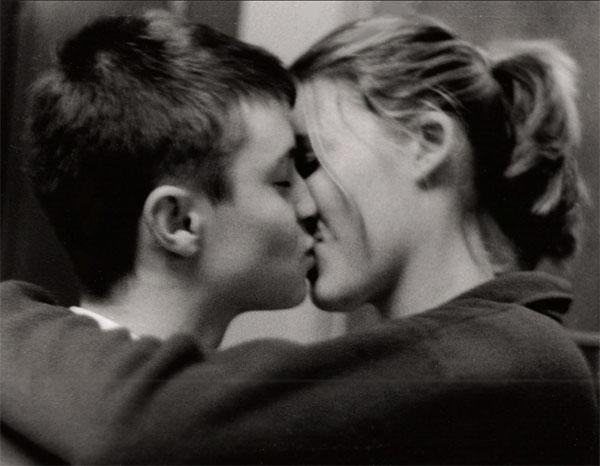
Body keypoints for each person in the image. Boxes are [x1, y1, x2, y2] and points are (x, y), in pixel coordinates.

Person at [2, 13, 597, 465]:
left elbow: (150, 421)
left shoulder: (511, 358)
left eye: (308, 160)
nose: (302, 204)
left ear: (426, 141)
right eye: (286, 174)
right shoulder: (421, 371)